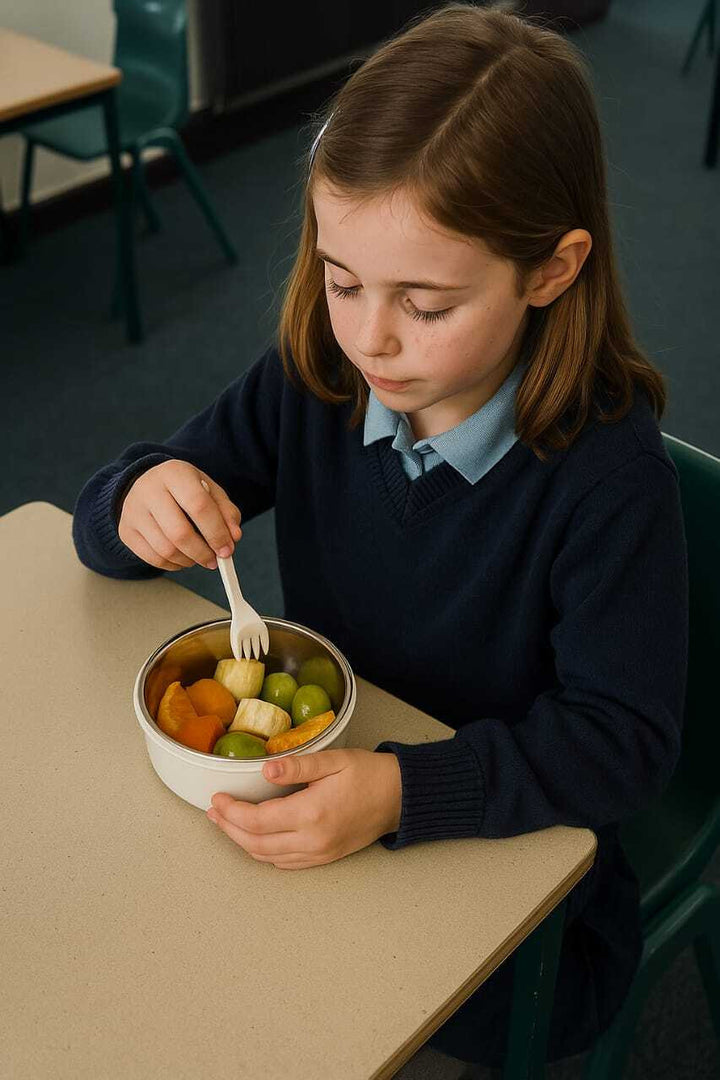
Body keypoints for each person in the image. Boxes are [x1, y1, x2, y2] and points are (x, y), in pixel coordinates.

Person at [71, 1, 688, 1069]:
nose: (370, 337)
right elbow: (112, 516)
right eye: (343, 279)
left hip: (515, 881)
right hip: (321, 801)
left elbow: (623, 744)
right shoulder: (315, 375)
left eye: (427, 304)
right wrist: (139, 495)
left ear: (551, 269)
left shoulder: (606, 479)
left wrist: (406, 790)